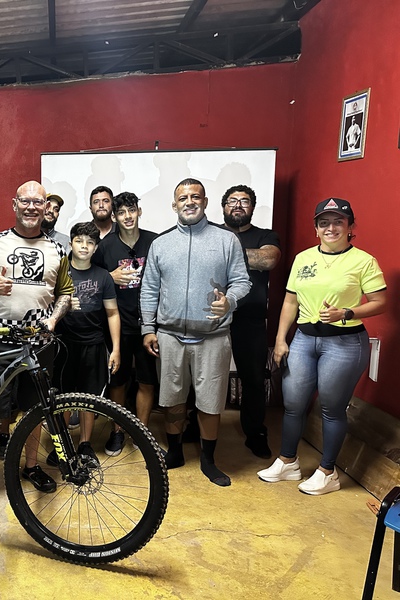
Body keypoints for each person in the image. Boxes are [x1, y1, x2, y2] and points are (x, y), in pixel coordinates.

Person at [257, 198, 386, 495]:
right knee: (293, 404)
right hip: (304, 339)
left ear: (350, 227)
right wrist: (280, 339)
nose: (331, 228)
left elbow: (380, 302)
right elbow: (290, 301)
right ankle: (287, 462)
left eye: (338, 222)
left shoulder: (363, 261)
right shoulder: (303, 258)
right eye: (324, 223)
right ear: (316, 228)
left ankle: (328, 472)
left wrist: (347, 312)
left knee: (331, 408)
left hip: (344, 342)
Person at [0, 180, 74, 509]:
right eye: (26, 201)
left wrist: (54, 319)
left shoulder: (58, 249)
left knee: (35, 411)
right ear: (14, 204)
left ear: (45, 207)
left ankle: (31, 466)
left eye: (38, 202)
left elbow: (66, 293)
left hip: (40, 342)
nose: (31, 207)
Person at [140, 178, 251, 487]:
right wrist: (148, 328)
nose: (189, 202)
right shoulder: (161, 244)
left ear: (205, 201)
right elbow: (149, 290)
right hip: (169, 336)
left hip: (213, 336)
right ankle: (175, 452)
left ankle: (208, 459)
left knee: (210, 402)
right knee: (172, 399)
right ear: (174, 205)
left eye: (195, 197)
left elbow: (242, 281)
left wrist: (230, 301)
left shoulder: (226, 240)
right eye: (183, 198)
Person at [93, 191, 159, 454]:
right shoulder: (105, 246)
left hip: (148, 325)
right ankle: (117, 431)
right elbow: (92, 278)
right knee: (117, 381)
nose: (128, 216)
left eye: (131, 210)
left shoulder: (154, 242)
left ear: (139, 211)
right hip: (117, 325)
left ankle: (142, 434)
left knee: (147, 381)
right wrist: (110, 276)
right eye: (121, 212)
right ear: (114, 217)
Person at [51, 221, 120, 463]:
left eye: (90, 242)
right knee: (63, 397)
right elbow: (45, 306)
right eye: (79, 241)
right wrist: (62, 306)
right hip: (64, 345)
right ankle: (62, 446)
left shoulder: (103, 276)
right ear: (70, 243)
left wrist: (116, 349)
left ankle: (85, 444)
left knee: (88, 398)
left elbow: (112, 313)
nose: (84, 246)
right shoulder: (59, 272)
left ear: (96, 247)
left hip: (94, 344)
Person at [221, 185, 281, 459]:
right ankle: (193, 427)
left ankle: (255, 433)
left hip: (251, 318)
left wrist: (221, 255)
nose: (238, 205)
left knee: (254, 379)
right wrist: (248, 258)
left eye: (244, 201)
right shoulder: (213, 232)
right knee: (200, 375)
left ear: (252, 207)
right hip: (213, 315)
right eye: (232, 201)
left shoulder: (266, 235)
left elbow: (268, 259)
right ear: (223, 206)